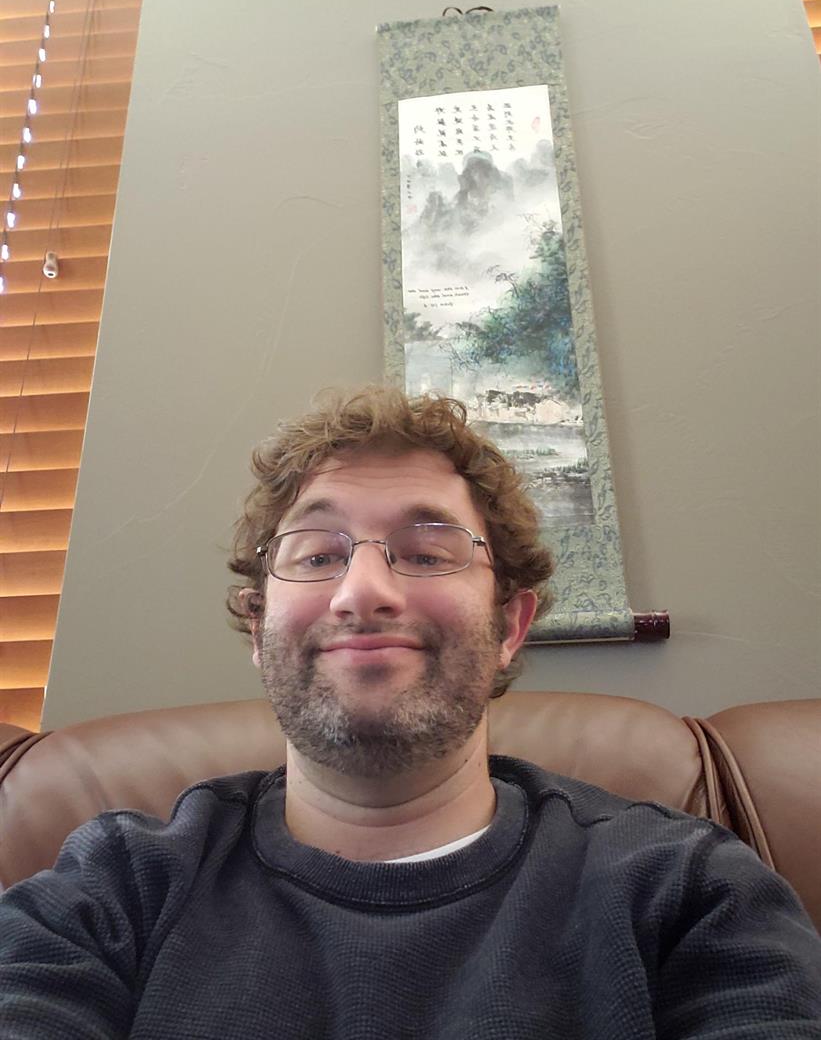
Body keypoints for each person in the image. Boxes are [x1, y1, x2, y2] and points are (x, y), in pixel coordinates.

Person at [0, 385, 819, 1040]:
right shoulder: (112, 888)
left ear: (509, 626)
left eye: (427, 552)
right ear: (257, 627)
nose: (362, 592)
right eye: (316, 555)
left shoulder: (688, 890)